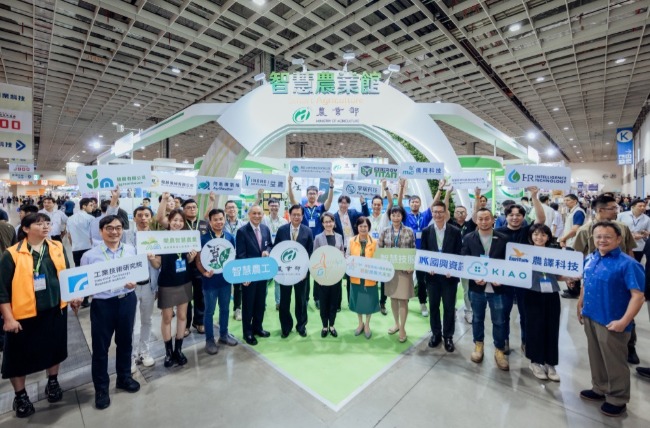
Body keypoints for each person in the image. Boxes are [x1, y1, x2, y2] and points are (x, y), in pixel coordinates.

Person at [0, 213, 80, 418]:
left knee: (54, 349)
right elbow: (2, 290)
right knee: (17, 357)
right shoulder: (11, 254)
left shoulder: (56, 246)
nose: (45, 226)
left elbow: (67, 274)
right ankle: (20, 396)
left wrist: (73, 296)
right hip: (23, 315)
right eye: (39, 223)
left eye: (47, 223)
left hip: (54, 309)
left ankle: (52, 382)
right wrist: (8, 318)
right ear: (26, 229)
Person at [578, 221, 645, 417]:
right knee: (596, 355)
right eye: (598, 236)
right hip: (591, 315)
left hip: (613, 320)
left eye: (607, 237)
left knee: (614, 361)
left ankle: (618, 398)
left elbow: (638, 296)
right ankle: (599, 387)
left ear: (618, 239)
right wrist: (580, 303)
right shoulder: (591, 258)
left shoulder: (628, 264)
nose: (602, 240)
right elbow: (586, 282)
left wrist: (624, 321)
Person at [80, 215, 141, 410]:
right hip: (103, 304)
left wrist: (134, 281)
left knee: (125, 342)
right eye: (109, 228)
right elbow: (82, 283)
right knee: (100, 348)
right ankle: (101, 389)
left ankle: (124, 377)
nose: (114, 232)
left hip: (127, 300)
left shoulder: (130, 250)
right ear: (101, 231)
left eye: (118, 228)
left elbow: (137, 272)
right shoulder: (90, 256)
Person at [572, 195, 639, 364]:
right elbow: (578, 255)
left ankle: (630, 346)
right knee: (595, 316)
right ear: (600, 210)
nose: (617, 211)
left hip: (618, 279)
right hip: (593, 278)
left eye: (616, 208)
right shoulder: (585, 230)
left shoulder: (622, 228)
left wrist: (634, 273)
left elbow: (629, 251)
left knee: (625, 313)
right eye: (613, 208)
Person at [495, 186, 545, 354]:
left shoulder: (528, 231)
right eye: (511, 215)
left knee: (526, 313)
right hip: (505, 279)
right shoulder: (497, 232)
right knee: (503, 313)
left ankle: (526, 340)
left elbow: (541, 219)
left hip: (525, 280)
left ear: (523, 217)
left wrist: (534, 197)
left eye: (518, 215)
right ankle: (504, 341)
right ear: (506, 216)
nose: (515, 218)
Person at [462, 208, 510, 370]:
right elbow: (465, 260)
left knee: (499, 320)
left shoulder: (504, 239)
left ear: (493, 220)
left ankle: (499, 350)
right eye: (480, 219)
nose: (483, 222)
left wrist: (502, 278)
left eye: (487, 218)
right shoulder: (469, 238)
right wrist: (473, 277)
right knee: (477, 318)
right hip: (477, 287)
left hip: (498, 288)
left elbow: (508, 263)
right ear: (476, 220)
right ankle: (478, 345)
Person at [523, 224, 567, 382]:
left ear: (548, 237)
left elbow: (559, 276)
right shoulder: (524, 252)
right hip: (532, 293)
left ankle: (550, 363)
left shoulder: (555, 253)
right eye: (535, 234)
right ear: (531, 236)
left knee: (552, 328)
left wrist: (570, 277)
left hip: (551, 293)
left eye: (543, 235)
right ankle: (535, 362)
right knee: (534, 327)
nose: (539, 237)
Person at [154, 209, 196, 367]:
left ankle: (178, 349)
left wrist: (191, 257)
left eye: (180, 221)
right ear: (169, 221)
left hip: (184, 281)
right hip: (167, 283)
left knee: (182, 316)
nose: (178, 223)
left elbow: (188, 261)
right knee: (166, 318)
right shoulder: (161, 239)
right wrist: (151, 258)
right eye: (175, 220)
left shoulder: (187, 238)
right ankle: (168, 352)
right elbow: (157, 264)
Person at [288, 175, 335, 308]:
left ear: (317, 195)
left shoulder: (320, 208)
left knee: (319, 270)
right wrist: (290, 184)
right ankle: (306, 298)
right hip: (305, 244)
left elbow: (329, 201)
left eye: (314, 193)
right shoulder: (302, 208)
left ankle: (317, 298)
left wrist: (331, 186)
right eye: (310, 193)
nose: (312, 195)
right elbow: (292, 199)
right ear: (307, 195)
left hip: (319, 244)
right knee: (305, 272)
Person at [196, 208, 238, 355]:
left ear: (224, 219)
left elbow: (233, 257)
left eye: (221, 219)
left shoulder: (230, 237)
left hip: (226, 281)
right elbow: (198, 260)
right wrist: (204, 272)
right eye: (215, 219)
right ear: (210, 221)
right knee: (209, 311)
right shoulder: (203, 239)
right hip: (210, 282)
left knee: (225, 309)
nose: (219, 222)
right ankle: (209, 340)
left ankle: (224, 335)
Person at [422, 202, 462, 352]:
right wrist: (428, 268)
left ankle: (448, 336)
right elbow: (424, 253)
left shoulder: (455, 231)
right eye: (435, 212)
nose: (437, 214)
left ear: (445, 213)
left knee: (449, 307)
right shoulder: (427, 231)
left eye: (440, 212)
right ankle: (436, 334)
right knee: (433, 306)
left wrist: (452, 269)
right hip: (432, 277)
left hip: (449, 277)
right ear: (432, 213)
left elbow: (459, 253)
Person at [397, 177, 440, 317]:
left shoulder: (425, 216)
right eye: (412, 202)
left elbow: (434, 204)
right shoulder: (405, 216)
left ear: (420, 203)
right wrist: (401, 188)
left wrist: (440, 189)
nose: (415, 203)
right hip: (409, 251)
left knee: (421, 280)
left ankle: (422, 303)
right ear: (409, 204)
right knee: (406, 278)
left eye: (417, 201)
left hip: (422, 253)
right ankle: (404, 300)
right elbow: (399, 204)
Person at [123, 206, 159, 369]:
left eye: (146, 215)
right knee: (129, 322)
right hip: (131, 286)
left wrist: (152, 259)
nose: (143, 218)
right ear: (134, 218)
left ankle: (144, 352)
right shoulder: (126, 236)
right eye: (140, 215)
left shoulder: (156, 237)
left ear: (151, 218)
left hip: (149, 285)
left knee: (147, 320)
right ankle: (129, 356)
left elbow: (158, 264)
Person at [275, 205, 314, 338]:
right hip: (285, 273)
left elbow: (310, 252)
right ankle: (286, 327)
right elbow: (276, 249)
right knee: (284, 301)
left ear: (302, 216)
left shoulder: (307, 231)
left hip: (301, 273)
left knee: (301, 300)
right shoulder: (282, 230)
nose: (296, 217)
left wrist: (305, 271)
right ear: (290, 215)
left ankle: (301, 326)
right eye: (294, 214)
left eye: (299, 215)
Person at [235, 205, 272, 346]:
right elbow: (241, 255)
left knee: (260, 303)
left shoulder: (265, 229)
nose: (257, 216)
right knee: (248, 304)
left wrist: (267, 251)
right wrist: (244, 276)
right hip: (249, 274)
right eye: (254, 213)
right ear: (249, 215)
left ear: (263, 215)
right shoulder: (242, 231)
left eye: (259, 213)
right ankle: (247, 332)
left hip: (262, 272)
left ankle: (258, 327)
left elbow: (270, 245)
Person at [378, 206, 415, 343]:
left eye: (398, 215)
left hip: (404, 270)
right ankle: (396, 324)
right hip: (390, 271)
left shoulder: (409, 231)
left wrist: (411, 266)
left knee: (403, 299)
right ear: (390, 216)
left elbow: (413, 250)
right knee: (393, 298)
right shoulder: (385, 231)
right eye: (393, 215)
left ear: (402, 216)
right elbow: (379, 249)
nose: (396, 218)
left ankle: (403, 328)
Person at [448, 187, 480, 324]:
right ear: (454, 213)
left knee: (467, 289)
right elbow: (445, 210)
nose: (460, 214)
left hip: (467, 262)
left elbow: (476, 212)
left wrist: (477, 196)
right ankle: (452, 310)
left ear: (466, 214)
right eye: (458, 211)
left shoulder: (470, 224)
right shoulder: (450, 224)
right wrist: (447, 193)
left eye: (463, 212)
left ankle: (468, 311)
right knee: (452, 288)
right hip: (453, 261)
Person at [346, 217, 379, 339]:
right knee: (358, 301)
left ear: (368, 227)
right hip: (356, 277)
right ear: (357, 227)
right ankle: (360, 323)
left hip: (370, 277)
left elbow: (378, 258)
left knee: (369, 301)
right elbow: (347, 255)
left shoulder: (375, 242)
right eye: (361, 226)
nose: (363, 228)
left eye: (365, 226)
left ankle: (367, 325)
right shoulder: (351, 241)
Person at [335, 194, 369, 309]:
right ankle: (337, 303)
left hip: (354, 248)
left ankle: (351, 301)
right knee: (338, 276)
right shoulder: (334, 217)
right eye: (341, 202)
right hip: (340, 248)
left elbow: (366, 214)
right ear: (338, 203)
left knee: (351, 276)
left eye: (345, 203)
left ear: (348, 204)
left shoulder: (353, 213)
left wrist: (363, 203)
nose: (343, 205)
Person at [313, 213, 345, 338]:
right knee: (324, 302)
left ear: (334, 223)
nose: (328, 224)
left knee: (333, 302)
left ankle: (332, 325)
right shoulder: (318, 238)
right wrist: (318, 277)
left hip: (336, 275)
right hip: (322, 276)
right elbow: (315, 257)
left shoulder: (339, 237)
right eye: (326, 222)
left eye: (330, 221)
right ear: (322, 224)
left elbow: (342, 253)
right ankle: (324, 326)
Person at [260, 196, 288, 310]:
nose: (274, 207)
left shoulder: (284, 221)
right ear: (268, 207)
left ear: (279, 207)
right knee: (265, 278)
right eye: (272, 205)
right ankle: (262, 303)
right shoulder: (263, 220)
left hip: (279, 252)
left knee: (278, 278)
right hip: (266, 251)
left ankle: (279, 302)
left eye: (276, 205)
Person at [370, 183, 393, 315]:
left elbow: (391, 202)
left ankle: (382, 303)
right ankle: (372, 301)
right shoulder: (367, 219)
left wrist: (385, 187)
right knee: (372, 278)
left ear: (382, 206)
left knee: (384, 279)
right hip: (370, 253)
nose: (377, 206)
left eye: (379, 204)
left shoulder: (385, 216)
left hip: (383, 252)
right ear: (372, 205)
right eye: (375, 204)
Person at [225, 200, 247, 321]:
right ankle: (224, 310)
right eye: (229, 207)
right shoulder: (222, 224)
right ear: (225, 210)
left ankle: (237, 309)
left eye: (233, 207)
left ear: (237, 209)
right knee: (224, 286)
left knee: (238, 285)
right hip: (225, 258)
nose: (231, 209)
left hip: (239, 257)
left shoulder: (243, 224)